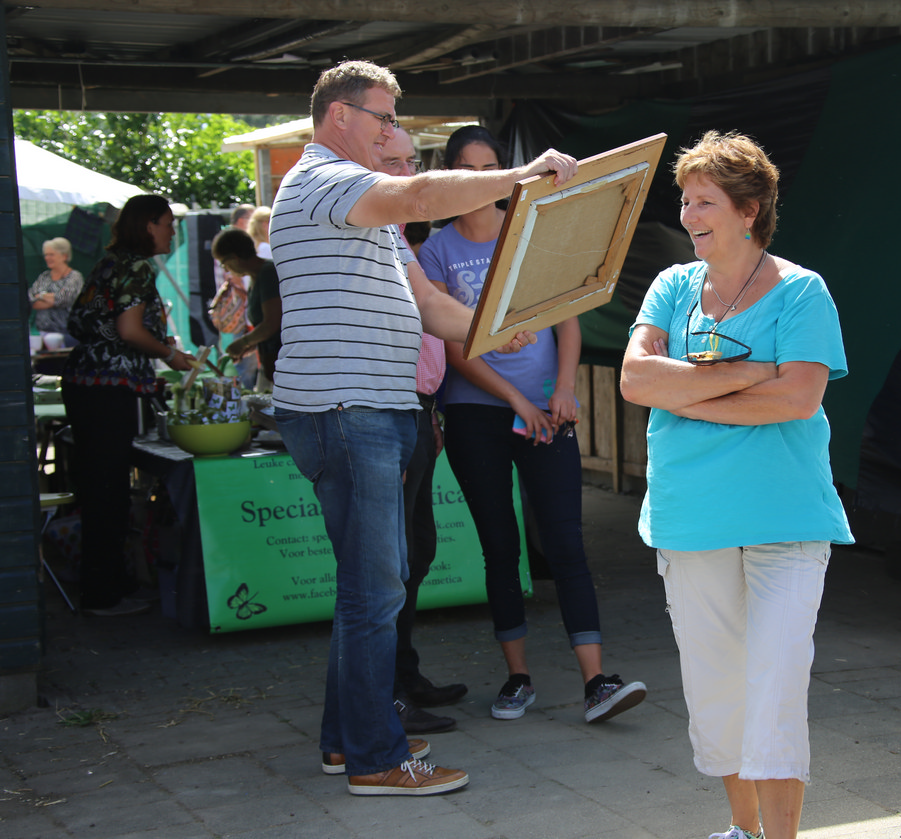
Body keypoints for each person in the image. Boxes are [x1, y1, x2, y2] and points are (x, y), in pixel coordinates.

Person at [269, 59, 576, 796]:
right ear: (339, 116)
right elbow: (421, 193)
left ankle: (345, 742)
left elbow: (429, 305)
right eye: (382, 119)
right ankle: (377, 758)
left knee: (366, 590)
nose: (391, 134)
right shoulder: (326, 179)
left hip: (363, 411)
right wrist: (519, 177)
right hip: (352, 412)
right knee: (376, 592)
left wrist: (490, 328)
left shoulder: (360, 206)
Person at [619, 130, 852, 839]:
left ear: (749, 211)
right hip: (690, 519)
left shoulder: (802, 291)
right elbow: (634, 380)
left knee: (775, 685)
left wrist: (684, 392)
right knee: (715, 686)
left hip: (786, 517)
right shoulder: (670, 286)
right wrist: (744, 375)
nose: (688, 215)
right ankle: (743, 830)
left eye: (705, 202)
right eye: (685, 200)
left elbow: (798, 398)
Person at [420, 124, 647, 726]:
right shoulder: (434, 251)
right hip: (475, 414)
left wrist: (563, 387)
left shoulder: (531, 231)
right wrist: (515, 401)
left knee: (566, 542)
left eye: (488, 168)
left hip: (548, 411)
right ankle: (517, 679)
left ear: (506, 173)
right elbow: (454, 345)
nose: (478, 182)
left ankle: (596, 682)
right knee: (500, 546)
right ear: (448, 174)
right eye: (465, 170)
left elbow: (566, 315)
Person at [60, 195, 198, 616]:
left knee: (102, 485)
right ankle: (102, 594)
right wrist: (169, 354)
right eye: (168, 223)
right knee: (108, 490)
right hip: (107, 389)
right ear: (148, 225)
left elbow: (109, 324)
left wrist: (156, 344)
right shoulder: (135, 267)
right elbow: (129, 330)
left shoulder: (110, 263)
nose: (172, 232)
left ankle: (113, 583)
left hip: (86, 383)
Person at [372, 128, 467, 735]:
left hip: (419, 410)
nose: (408, 173)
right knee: (393, 559)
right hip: (388, 411)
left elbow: (431, 312)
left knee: (417, 549)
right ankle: (385, 694)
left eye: (412, 162)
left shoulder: (398, 239)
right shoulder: (370, 239)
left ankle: (402, 674)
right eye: (395, 163)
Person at [211, 228, 282, 387]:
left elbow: (272, 323)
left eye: (225, 264)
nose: (226, 270)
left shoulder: (267, 273)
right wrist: (250, 345)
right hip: (271, 365)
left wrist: (243, 342)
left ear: (234, 258)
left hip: (284, 364)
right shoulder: (255, 279)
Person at [29, 237, 84, 344]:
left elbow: (64, 299)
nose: (47, 258)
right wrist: (52, 298)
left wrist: (41, 296)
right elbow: (31, 299)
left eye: (51, 254)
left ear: (64, 256)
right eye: (46, 255)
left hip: (67, 334)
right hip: (43, 334)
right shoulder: (44, 277)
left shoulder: (75, 277)